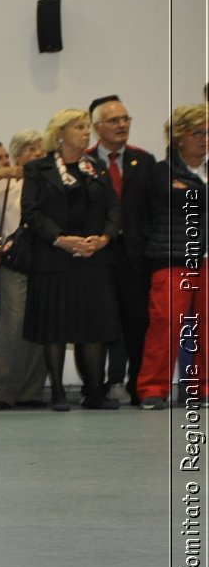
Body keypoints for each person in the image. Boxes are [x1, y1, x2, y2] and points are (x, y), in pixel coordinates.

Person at [20, 108, 123, 410]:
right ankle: (59, 394)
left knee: (94, 326)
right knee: (55, 327)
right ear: (60, 132)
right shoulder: (38, 169)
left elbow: (114, 209)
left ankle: (94, 392)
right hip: (54, 258)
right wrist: (60, 239)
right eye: (78, 127)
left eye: (85, 126)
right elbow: (31, 212)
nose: (85, 132)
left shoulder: (96, 167)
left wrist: (104, 238)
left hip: (93, 258)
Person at [137, 103, 208, 408]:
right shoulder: (159, 171)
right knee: (165, 323)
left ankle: (203, 389)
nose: (205, 139)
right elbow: (177, 198)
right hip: (173, 258)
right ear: (179, 137)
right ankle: (153, 388)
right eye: (198, 133)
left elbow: (187, 196)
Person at [87, 95, 157, 404]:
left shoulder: (144, 160)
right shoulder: (84, 162)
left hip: (135, 258)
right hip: (96, 257)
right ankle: (95, 387)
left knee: (137, 322)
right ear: (97, 127)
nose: (122, 125)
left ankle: (138, 385)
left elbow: (154, 209)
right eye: (114, 121)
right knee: (97, 324)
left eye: (125, 119)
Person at [0, 129, 49, 408]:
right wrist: (1, 173)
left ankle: (31, 392)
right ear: (18, 156)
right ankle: (3, 390)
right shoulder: (7, 183)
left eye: (40, 149)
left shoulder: (49, 181)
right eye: (30, 149)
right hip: (14, 260)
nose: (38, 154)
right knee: (13, 326)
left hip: (45, 261)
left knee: (40, 328)